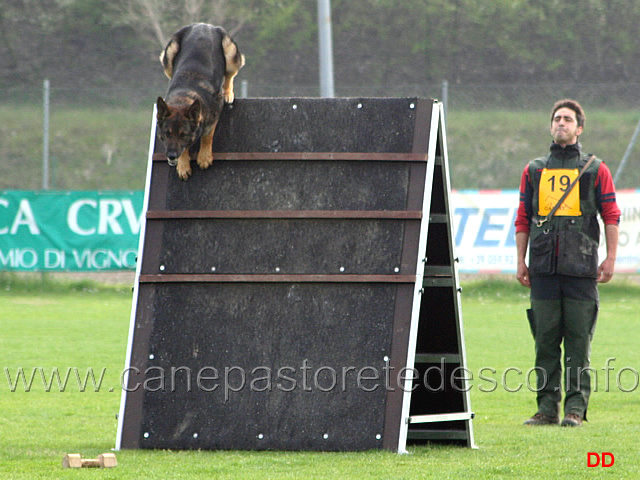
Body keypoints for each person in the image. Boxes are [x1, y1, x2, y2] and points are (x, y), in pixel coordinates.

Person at [515, 99, 621, 427]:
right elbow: (523, 218)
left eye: (568, 119)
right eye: (557, 119)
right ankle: (547, 409)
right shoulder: (533, 170)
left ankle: (575, 410)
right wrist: (520, 260)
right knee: (545, 341)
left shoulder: (595, 169)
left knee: (578, 341)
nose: (561, 123)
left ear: (579, 128)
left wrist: (611, 258)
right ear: (551, 126)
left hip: (581, 269)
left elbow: (611, 216)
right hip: (544, 268)